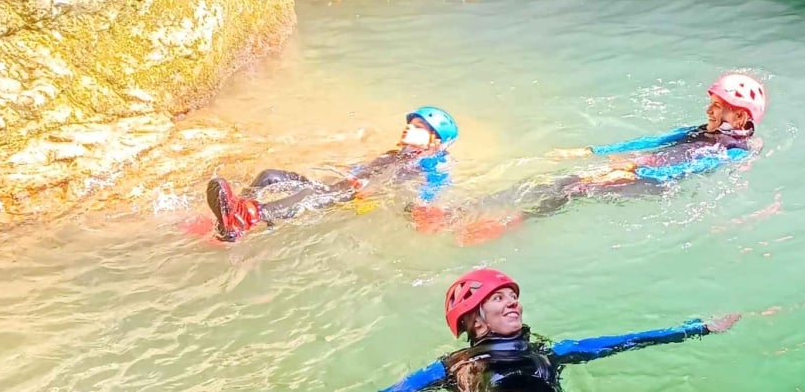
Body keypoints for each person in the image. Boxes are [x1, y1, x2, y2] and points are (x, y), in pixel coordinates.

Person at [415, 74, 766, 243]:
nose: (709, 109)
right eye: (712, 102)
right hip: (639, 169)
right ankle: (459, 211)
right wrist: (591, 152)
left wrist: (637, 168)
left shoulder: (732, 151)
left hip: (655, 182)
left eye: (719, 107)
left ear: (741, 119)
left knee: (576, 188)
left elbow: (692, 167)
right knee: (554, 181)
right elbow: (654, 139)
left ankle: (512, 221)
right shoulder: (700, 130)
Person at [378, 268, 740, 392]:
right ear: (475, 321)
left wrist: (699, 328)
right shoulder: (451, 367)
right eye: (498, 298)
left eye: (513, 297)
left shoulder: (549, 353)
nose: (513, 303)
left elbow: (625, 341)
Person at [204, 106, 459, 242]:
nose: (407, 130)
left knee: (307, 194)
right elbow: (366, 169)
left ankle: (249, 217)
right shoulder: (399, 153)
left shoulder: (430, 163)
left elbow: (430, 192)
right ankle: (232, 220)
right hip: (341, 185)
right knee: (270, 175)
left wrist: (423, 209)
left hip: (356, 198)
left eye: (417, 127)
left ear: (434, 140)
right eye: (408, 124)